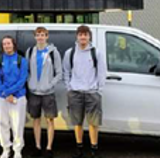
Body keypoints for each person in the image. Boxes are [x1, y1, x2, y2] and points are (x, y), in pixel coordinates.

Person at [63, 25, 107, 158]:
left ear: (89, 36)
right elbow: (66, 71)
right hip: (75, 92)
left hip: (92, 93)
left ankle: (94, 149)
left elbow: (101, 72)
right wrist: (69, 87)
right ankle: (79, 148)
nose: (83, 37)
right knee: (77, 122)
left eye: (85, 34)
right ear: (77, 36)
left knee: (93, 123)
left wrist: (99, 89)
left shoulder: (96, 53)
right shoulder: (70, 53)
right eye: (81, 34)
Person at [25, 27, 62, 158]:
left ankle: (49, 148)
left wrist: (49, 85)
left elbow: (59, 73)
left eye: (42, 35)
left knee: (50, 120)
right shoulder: (30, 52)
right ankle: (37, 146)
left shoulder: (53, 52)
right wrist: (30, 83)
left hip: (48, 92)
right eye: (38, 35)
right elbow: (27, 71)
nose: (40, 37)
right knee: (35, 120)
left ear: (47, 36)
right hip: (34, 92)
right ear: (35, 37)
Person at [0, 35, 28, 158]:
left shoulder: (21, 60)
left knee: (17, 124)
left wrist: (11, 92)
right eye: (4, 44)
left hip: (18, 97)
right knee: (3, 124)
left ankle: (17, 150)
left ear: (13, 44)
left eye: (9, 43)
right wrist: (6, 93)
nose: (7, 46)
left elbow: (22, 79)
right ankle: (6, 148)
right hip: (2, 97)